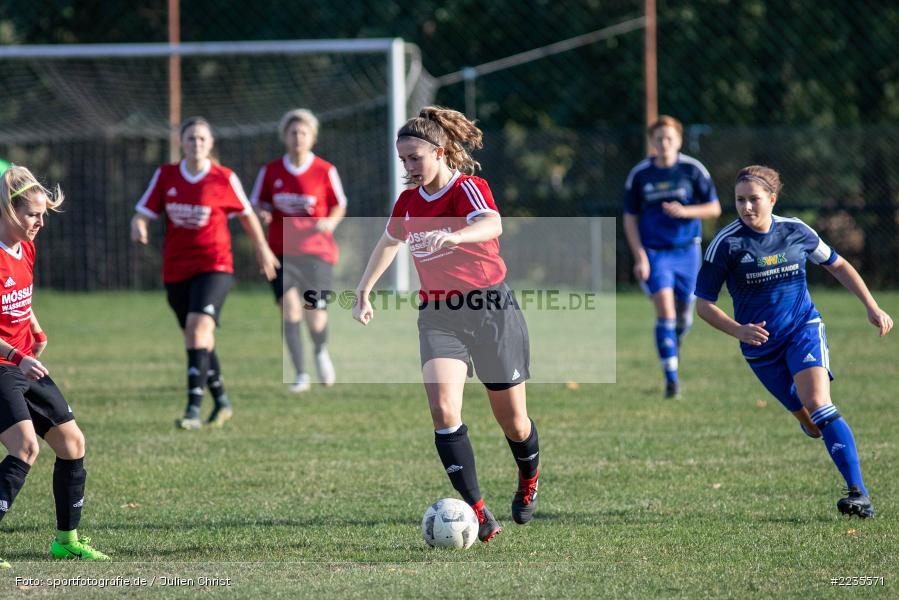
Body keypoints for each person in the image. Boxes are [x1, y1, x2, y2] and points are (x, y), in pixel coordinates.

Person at [352, 106, 540, 543]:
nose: (409, 167)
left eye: (415, 158)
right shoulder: (408, 202)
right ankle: (478, 512)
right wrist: (364, 290)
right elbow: (390, 240)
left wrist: (455, 235)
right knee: (443, 411)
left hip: (491, 310)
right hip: (439, 316)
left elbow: (492, 223)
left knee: (514, 423)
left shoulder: (468, 189)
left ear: (440, 152)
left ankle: (528, 477)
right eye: (403, 160)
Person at [695, 165, 893, 518]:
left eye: (754, 199)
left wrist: (871, 306)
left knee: (820, 402)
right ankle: (805, 419)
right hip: (760, 348)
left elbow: (838, 264)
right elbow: (704, 305)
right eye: (740, 200)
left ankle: (858, 493)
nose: (746, 207)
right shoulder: (726, 244)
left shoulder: (796, 231)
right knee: (813, 424)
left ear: (772, 198)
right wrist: (738, 329)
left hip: (803, 328)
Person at [131, 117, 279, 430]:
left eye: (202, 139)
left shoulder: (223, 177)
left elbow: (247, 215)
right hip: (176, 268)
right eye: (190, 139)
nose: (196, 144)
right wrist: (139, 226)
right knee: (198, 338)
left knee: (198, 330)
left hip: (215, 265)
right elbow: (144, 211)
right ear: (181, 143)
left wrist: (263, 249)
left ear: (210, 144)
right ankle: (222, 400)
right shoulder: (166, 175)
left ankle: (192, 410)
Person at [0, 165, 109, 567]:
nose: (41, 222)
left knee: (72, 443)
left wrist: (35, 326)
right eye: (33, 214)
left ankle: (66, 540)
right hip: (4, 366)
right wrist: (17, 356)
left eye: (44, 214)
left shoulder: (26, 247)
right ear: (9, 211)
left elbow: (19, 298)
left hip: (24, 364)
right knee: (25, 448)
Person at [623, 115, 721, 398]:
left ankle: (671, 344)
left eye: (669, 138)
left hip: (687, 250)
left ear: (678, 140)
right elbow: (630, 218)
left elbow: (713, 207)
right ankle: (671, 378)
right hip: (656, 253)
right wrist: (640, 256)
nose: (664, 143)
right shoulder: (640, 174)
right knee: (665, 310)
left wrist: (686, 211)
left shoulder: (693, 170)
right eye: (658, 139)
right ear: (652, 142)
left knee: (684, 316)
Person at [250, 109, 346, 392]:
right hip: (280, 252)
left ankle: (320, 350)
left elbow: (339, 203)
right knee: (290, 310)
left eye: (304, 132)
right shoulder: (271, 171)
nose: (298, 137)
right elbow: (257, 203)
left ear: (313, 137)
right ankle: (300, 374)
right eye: (293, 132)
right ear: (285, 136)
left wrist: (330, 222)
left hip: (317, 252)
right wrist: (263, 213)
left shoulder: (325, 170)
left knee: (315, 314)